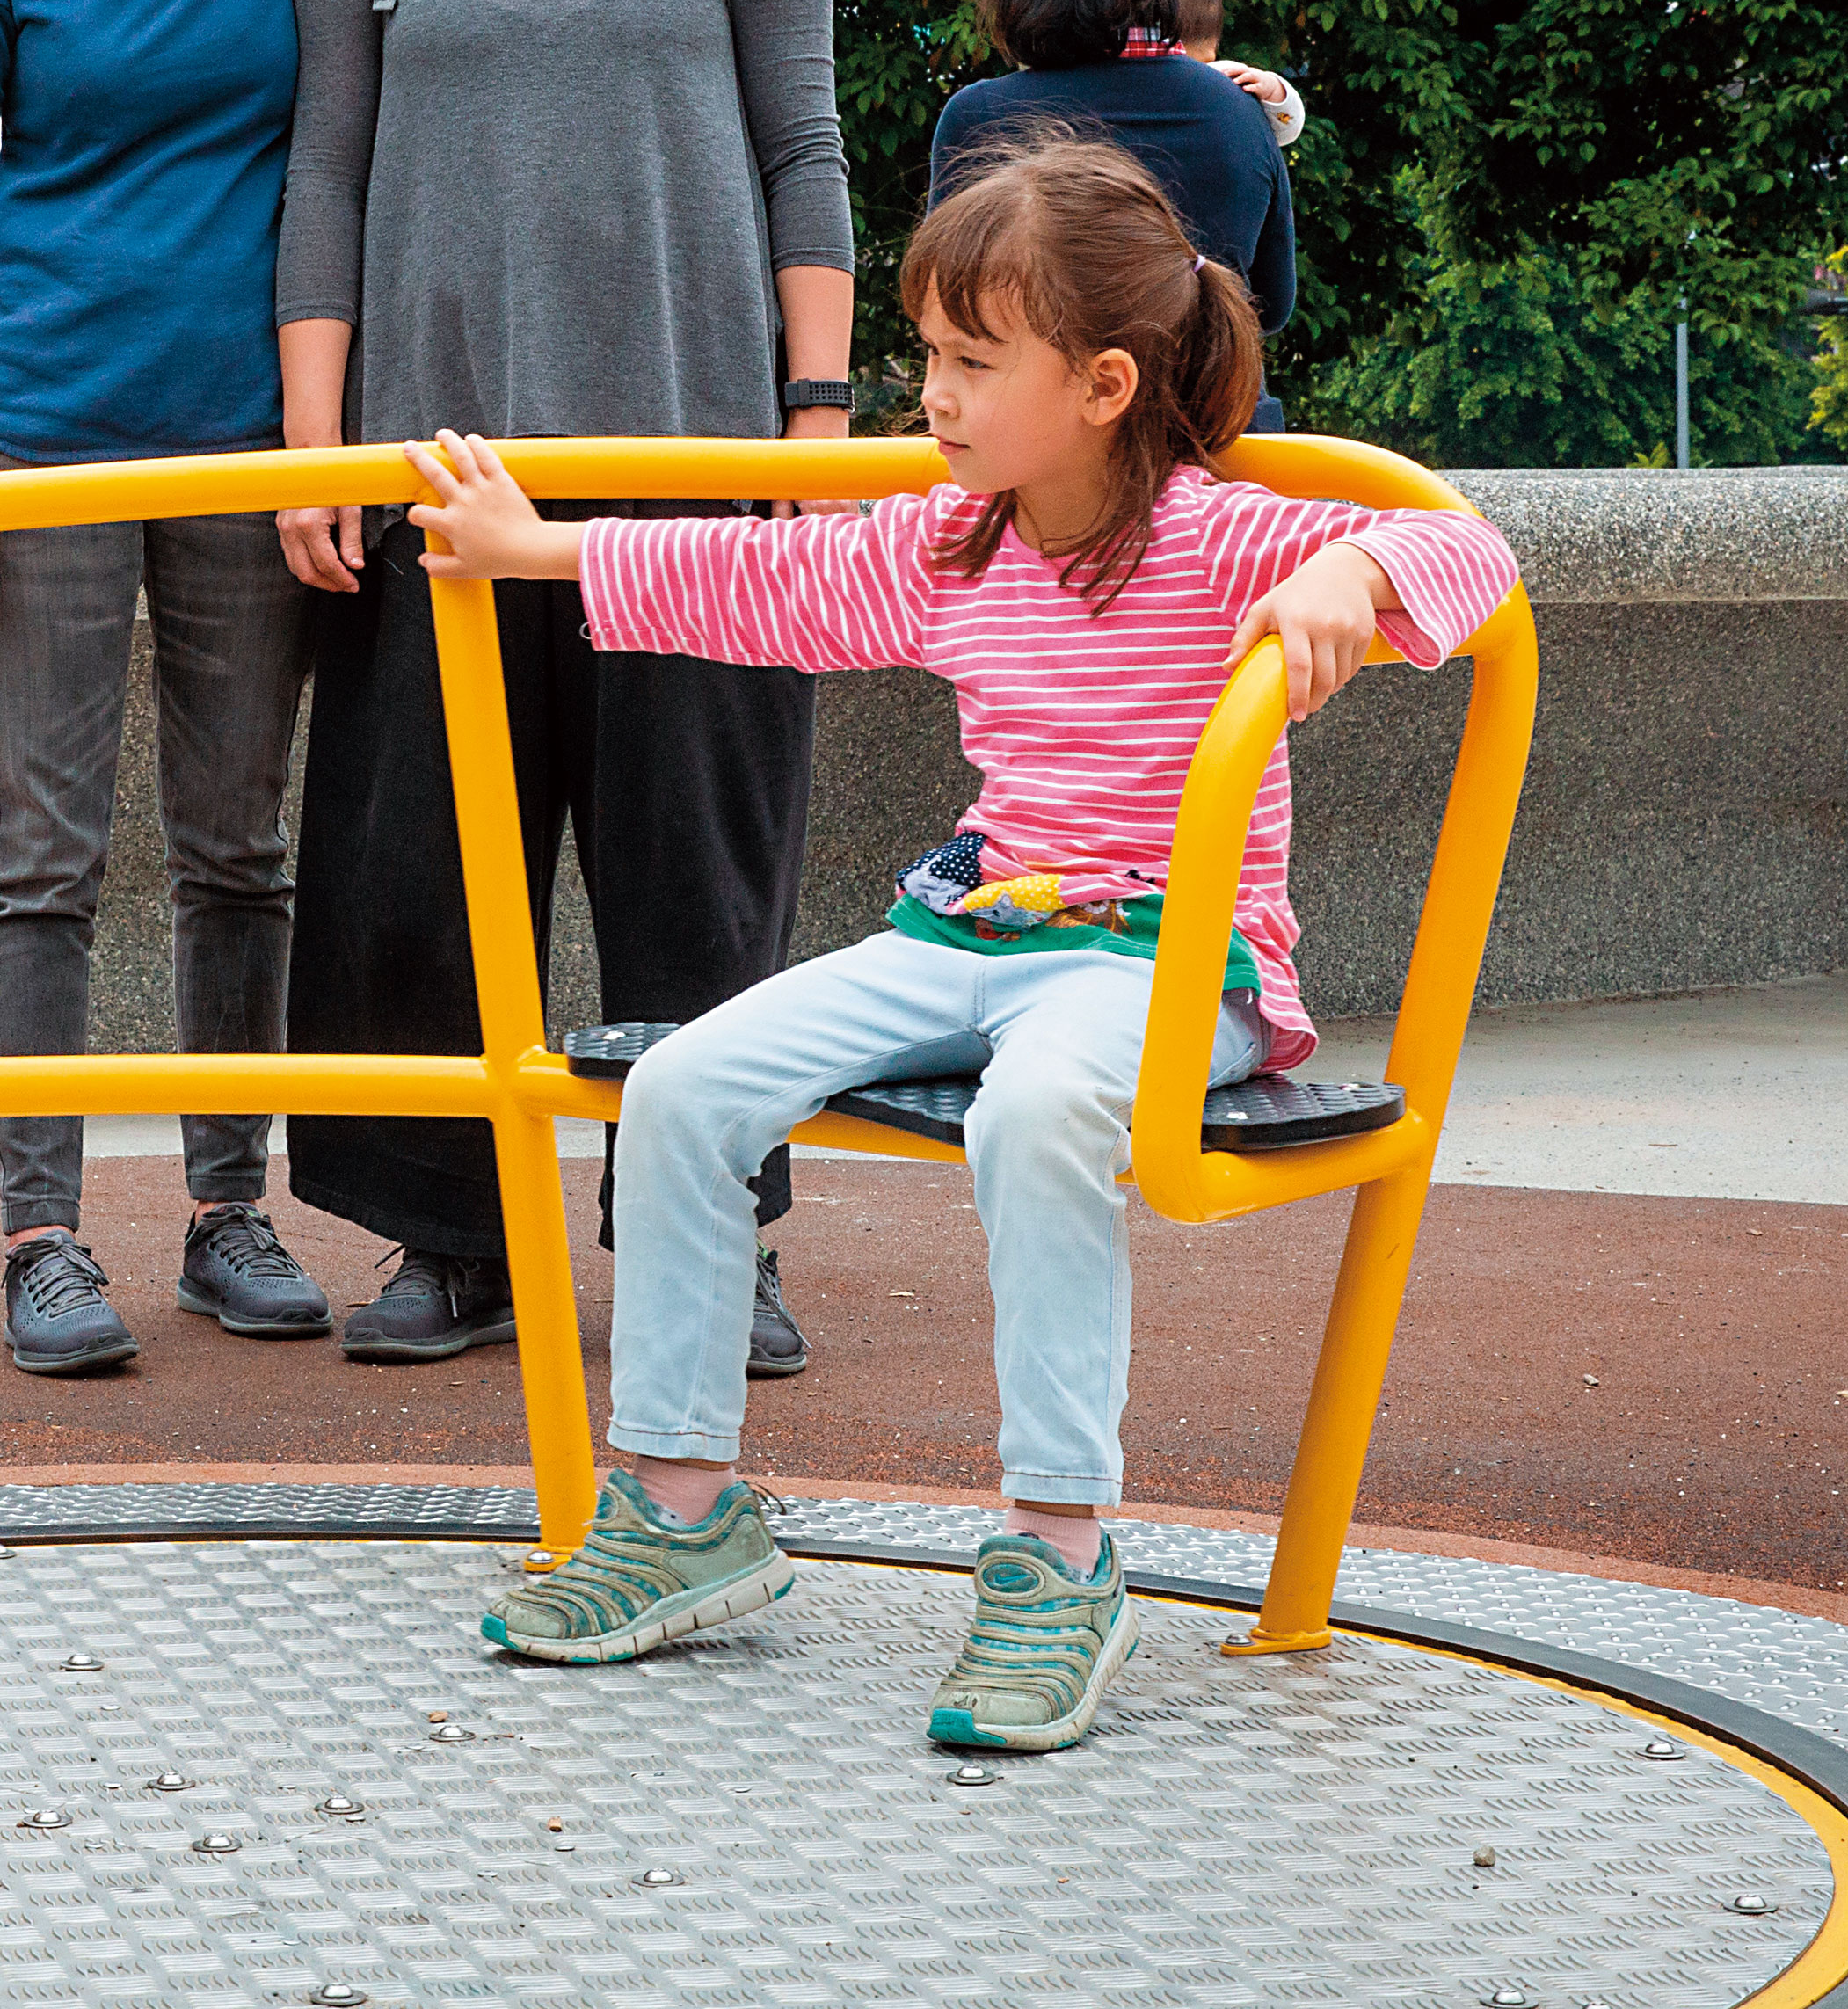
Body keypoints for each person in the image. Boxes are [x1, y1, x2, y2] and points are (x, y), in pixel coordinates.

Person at [415, 133, 1516, 1752]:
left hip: (1166, 954)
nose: (928, 390)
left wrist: (1352, 561)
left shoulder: (1219, 537)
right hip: (973, 925)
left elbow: (1471, 552)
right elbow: (768, 573)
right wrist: (539, 548)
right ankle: (683, 1503)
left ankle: (1060, 1549)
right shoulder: (957, 537)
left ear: (1103, 382)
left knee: (1038, 1107)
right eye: (926, 349)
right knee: (690, 1084)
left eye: (969, 359)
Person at [0, 0, 814, 1379]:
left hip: (482, 436)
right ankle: (164, 1232)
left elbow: (786, 115)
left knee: (446, 855)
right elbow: (23, 189)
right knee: (203, 853)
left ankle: (347, 1211)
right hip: (212, 434)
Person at [272, 0, 856, 1372]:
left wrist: (816, 431)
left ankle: (717, 1221)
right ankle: (455, 1233)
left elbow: (803, 147)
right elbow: (328, 171)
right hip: (439, 465)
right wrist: (315, 450)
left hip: (697, 460)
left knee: (699, 862)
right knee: (421, 868)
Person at [929, 0, 1297, 426]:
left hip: (1043, 455)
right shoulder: (1238, 110)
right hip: (1218, 448)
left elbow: (950, 313)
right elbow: (1271, 305)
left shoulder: (978, 119)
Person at [1160, 0, 1306, 157]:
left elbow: (1288, 127)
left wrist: (1272, 90)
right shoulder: (1222, 77)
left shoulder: (1227, 75)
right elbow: (1287, 130)